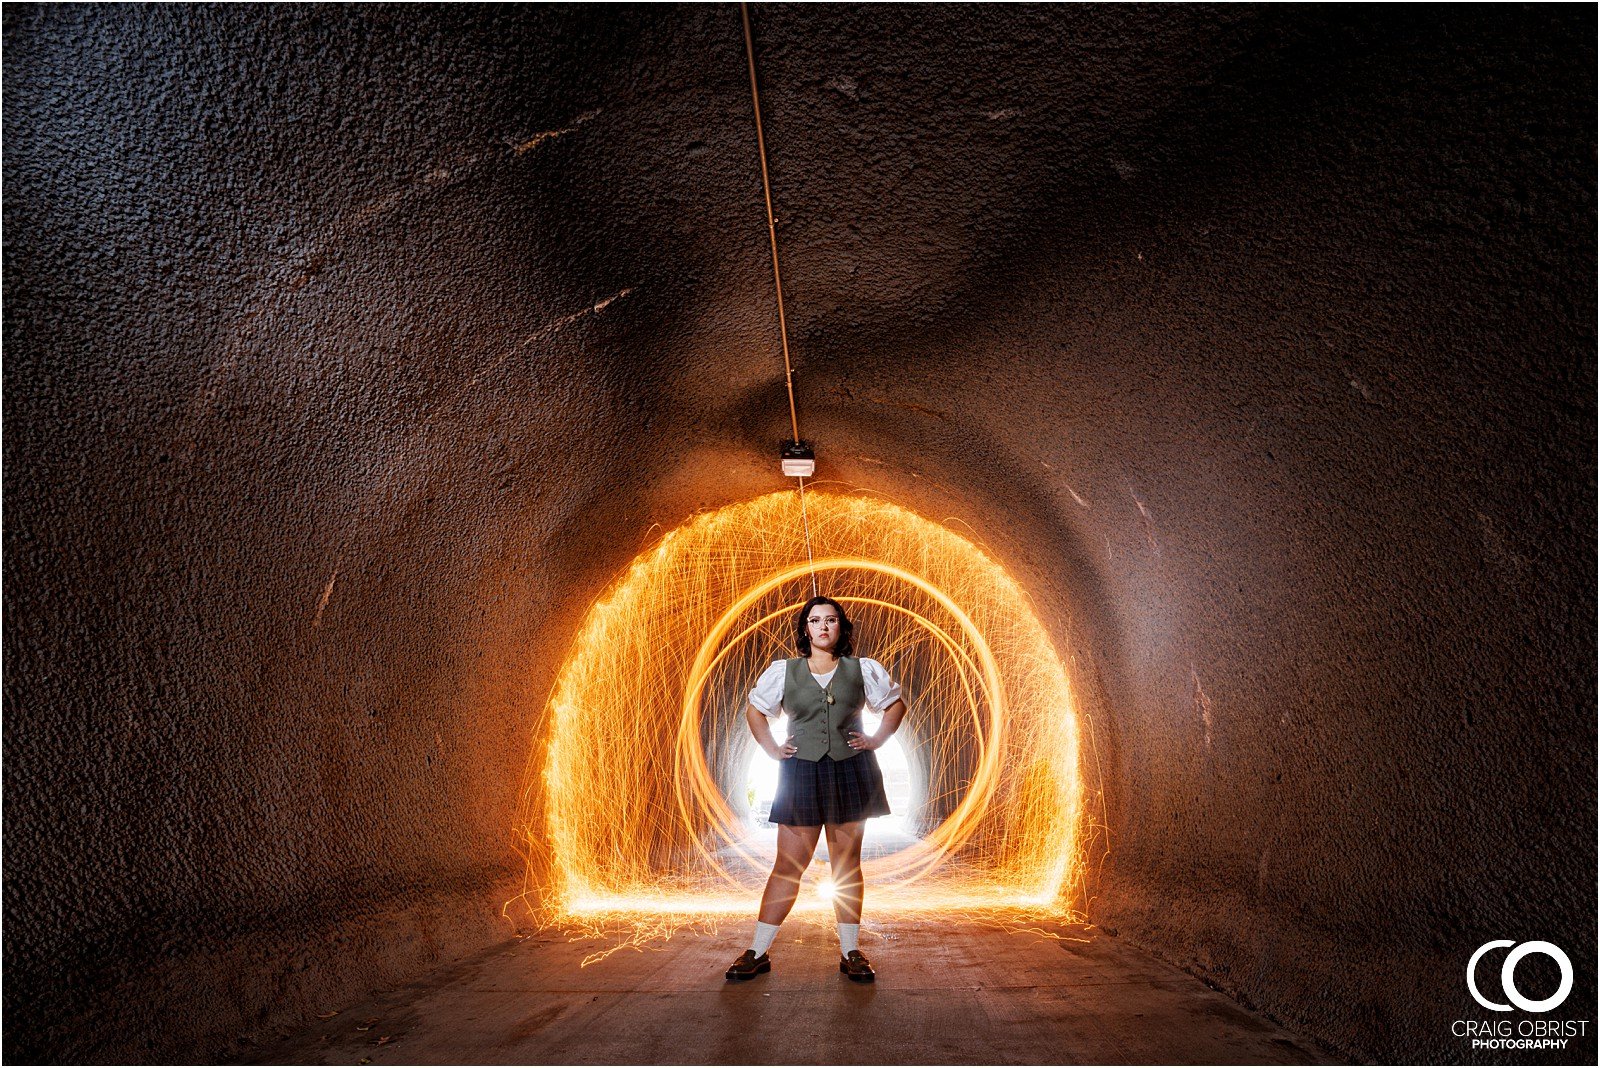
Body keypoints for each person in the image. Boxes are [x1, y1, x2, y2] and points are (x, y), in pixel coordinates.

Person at [723, 595, 908, 984]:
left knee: (846, 866)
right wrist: (772, 749)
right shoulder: (783, 671)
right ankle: (757, 951)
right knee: (788, 866)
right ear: (805, 629)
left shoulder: (863, 669)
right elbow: (755, 711)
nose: (823, 627)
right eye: (815, 620)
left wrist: (875, 740)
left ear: (841, 628)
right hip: (800, 773)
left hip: (849, 770)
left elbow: (895, 705)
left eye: (831, 620)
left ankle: (851, 952)